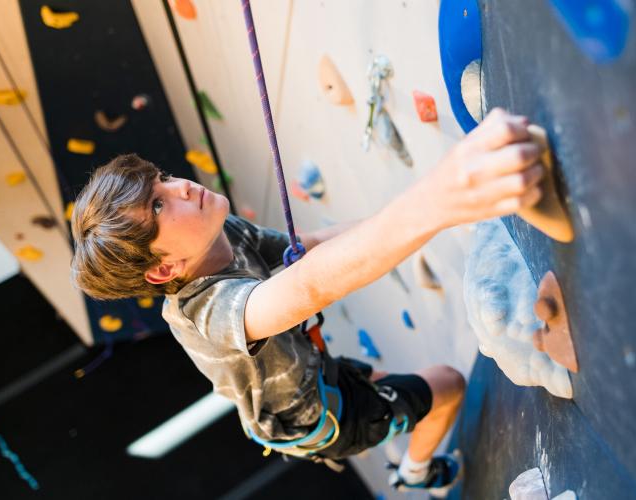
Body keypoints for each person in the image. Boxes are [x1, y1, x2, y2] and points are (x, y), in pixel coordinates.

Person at [70, 108, 545, 496]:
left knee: (375, 383)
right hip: (317, 419)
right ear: (164, 270)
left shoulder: (222, 234)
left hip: (314, 371)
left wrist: (430, 219)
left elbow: (310, 248)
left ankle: (399, 441)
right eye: (158, 206)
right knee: (448, 384)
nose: (181, 188)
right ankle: (416, 473)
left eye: (162, 180)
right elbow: (307, 287)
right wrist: (440, 200)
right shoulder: (209, 313)